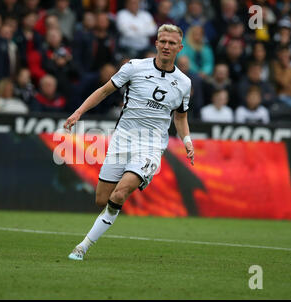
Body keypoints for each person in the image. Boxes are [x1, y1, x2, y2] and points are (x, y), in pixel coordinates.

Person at [63, 24, 194, 261]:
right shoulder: (134, 67)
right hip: (122, 141)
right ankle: (123, 191)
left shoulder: (184, 83)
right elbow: (104, 91)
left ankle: (82, 246)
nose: (166, 46)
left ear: (180, 48)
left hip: (151, 146)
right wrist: (78, 112)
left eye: (172, 43)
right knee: (103, 199)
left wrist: (186, 140)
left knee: (120, 193)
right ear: (156, 43)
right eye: (162, 41)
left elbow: (180, 117)